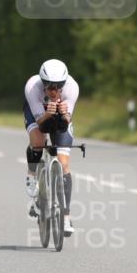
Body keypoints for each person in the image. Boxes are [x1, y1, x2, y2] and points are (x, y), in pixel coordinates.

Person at [23, 59, 78, 236]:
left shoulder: (72, 88)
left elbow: (65, 122)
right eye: (50, 87)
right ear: (42, 83)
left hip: (59, 115)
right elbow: (41, 123)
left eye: (58, 87)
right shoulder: (33, 87)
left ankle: (66, 216)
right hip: (37, 113)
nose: (54, 91)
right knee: (38, 142)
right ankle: (32, 174)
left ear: (64, 84)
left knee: (63, 164)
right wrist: (48, 113)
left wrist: (64, 113)